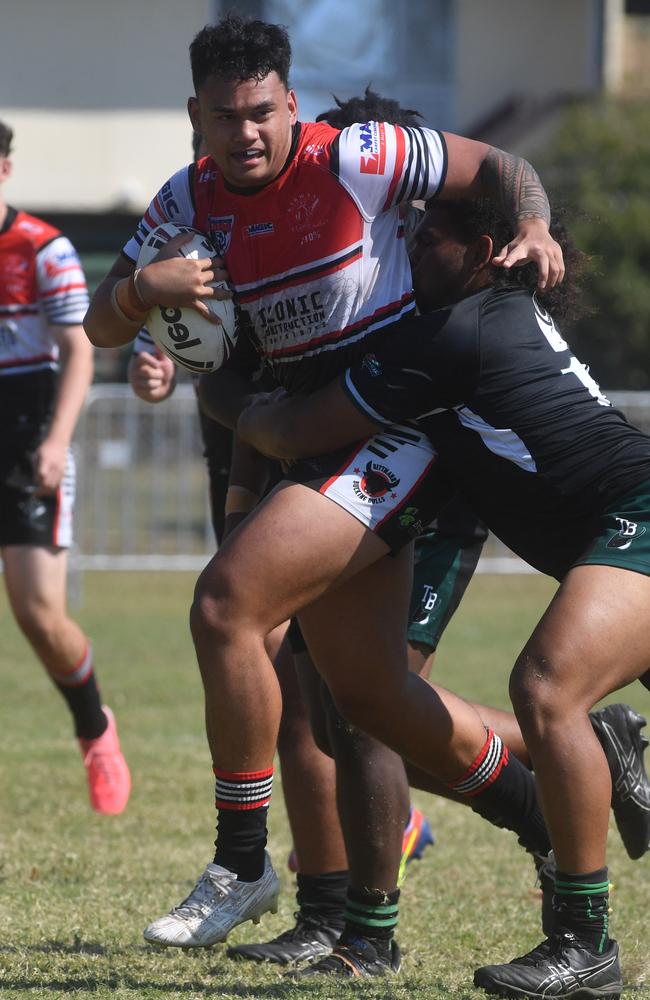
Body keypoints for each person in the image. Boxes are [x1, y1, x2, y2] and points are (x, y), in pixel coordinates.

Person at [84, 12, 568, 969]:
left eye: (261, 111)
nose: (245, 133)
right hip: (318, 441)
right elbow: (105, 322)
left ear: (290, 102)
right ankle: (537, 823)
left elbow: (497, 167)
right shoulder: (185, 199)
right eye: (224, 116)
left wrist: (537, 221)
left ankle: (241, 861)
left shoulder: (358, 155)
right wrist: (145, 292)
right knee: (370, 703)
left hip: (397, 432)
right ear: (197, 116)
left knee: (225, 605)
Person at [236, 197, 650, 997]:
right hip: (620, 524)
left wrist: (244, 409)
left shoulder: (453, 333)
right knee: (428, 702)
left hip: (637, 514)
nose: (408, 255)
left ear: (480, 250)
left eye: (423, 242)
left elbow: (298, 429)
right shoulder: (487, 314)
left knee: (546, 686)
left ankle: (585, 943)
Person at [0, 120, 131, 815]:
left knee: (36, 612)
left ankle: (93, 727)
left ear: (5, 170)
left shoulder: (41, 249)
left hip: (26, 439)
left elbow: (79, 350)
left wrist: (56, 443)